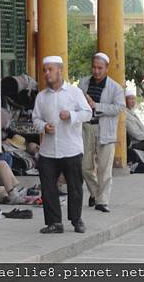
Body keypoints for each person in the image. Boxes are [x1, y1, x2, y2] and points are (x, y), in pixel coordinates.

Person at [33, 56, 92, 234]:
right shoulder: (41, 97)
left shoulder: (74, 93)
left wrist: (72, 116)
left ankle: (76, 219)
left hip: (71, 148)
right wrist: (44, 126)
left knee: (74, 187)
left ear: (60, 70)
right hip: (48, 151)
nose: (47, 73)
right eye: (45, 70)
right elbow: (35, 119)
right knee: (48, 188)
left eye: (50, 69)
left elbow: (88, 113)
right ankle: (54, 223)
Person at [78, 52, 125, 213]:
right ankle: (95, 192)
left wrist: (96, 106)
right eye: (94, 67)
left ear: (106, 68)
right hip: (86, 128)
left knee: (105, 168)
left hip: (105, 129)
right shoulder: (83, 83)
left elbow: (120, 107)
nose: (96, 71)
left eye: (100, 68)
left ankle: (102, 201)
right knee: (85, 166)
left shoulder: (115, 88)